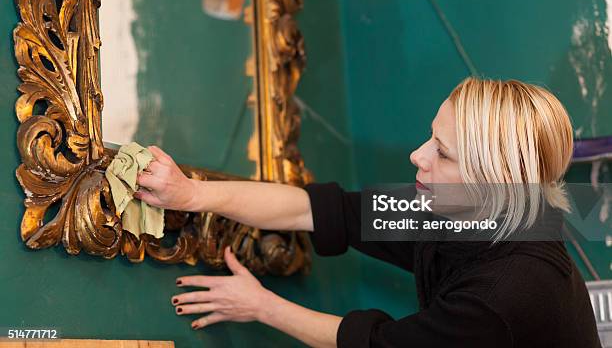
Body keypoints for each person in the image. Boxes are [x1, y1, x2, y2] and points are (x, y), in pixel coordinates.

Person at [133, 77, 601, 347]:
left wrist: (260, 305)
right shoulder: (460, 208)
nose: (418, 156)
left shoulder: (507, 294)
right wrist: (191, 194)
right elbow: (316, 210)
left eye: (443, 152)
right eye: (430, 137)